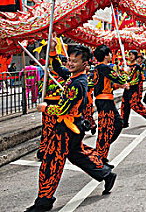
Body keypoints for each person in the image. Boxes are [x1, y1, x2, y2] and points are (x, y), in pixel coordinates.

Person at [25, 45, 116, 212]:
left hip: (67, 128)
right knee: (78, 155)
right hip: (71, 127)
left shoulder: (77, 83)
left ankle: (44, 200)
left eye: (75, 61)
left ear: (85, 64)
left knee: (51, 162)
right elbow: (57, 67)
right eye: (70, 60)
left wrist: (45, 108)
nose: (70, 64)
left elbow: (62, 109)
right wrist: (52, 50)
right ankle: (106, 174)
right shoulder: (74, 76)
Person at [92, 45, 129, 164]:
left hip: (107, 100)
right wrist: (125, 74)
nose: (111, 55)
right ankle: (100, 156)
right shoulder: (103, 67)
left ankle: (101, 150)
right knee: (105, 129)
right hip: (104, 102)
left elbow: (107, 84)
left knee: (117, 124)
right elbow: (120, 78)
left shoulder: (100, 68)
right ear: (106, 55)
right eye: (109, 53)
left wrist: (119, 84)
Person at [121, 51, 146, 128]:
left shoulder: (137, 67)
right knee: (124, 105)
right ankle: (124, 122)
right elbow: (125, 77)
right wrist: (124, 72)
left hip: (134, 88)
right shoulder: (127, 66)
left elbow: (137, 79)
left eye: (132, 55)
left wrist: (129, 84)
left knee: (134, 104)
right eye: (130, 55)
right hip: (127, 88)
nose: (131, 56)